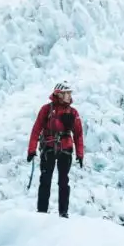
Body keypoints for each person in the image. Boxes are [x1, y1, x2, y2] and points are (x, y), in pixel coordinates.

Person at [26, 81, 84, 217]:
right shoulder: (46, 110)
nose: (70, 96)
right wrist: (31, 150)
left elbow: (78, 134)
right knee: (45, 181)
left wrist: (80, 154)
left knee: (64, 182)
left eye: (70, 93)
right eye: (67, 93)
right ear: (59, 94)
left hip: (65, 150)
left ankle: (63, 213)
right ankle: (42, 212)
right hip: (49, 149)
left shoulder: (73, 112)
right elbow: (36, 129)